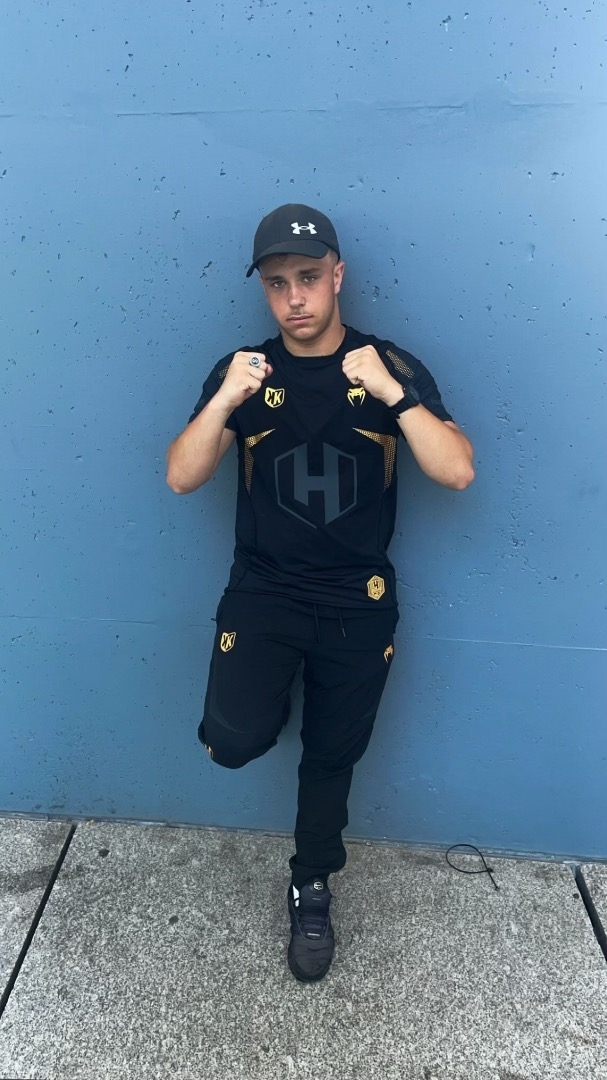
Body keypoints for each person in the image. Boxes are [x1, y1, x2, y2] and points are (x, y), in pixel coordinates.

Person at [166, 203, 474, 983]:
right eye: (277, 284)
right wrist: (224, 399)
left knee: (331, 757)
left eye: (308, 277)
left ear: (338, 276)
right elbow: (182, 476)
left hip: (354, 600)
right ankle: (266, 701)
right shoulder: (244, 370)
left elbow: (456, 470)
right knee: (231, 742)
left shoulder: (388, 364)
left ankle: (310, 884)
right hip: (263, 591)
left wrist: (393, 394)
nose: (294, 297)